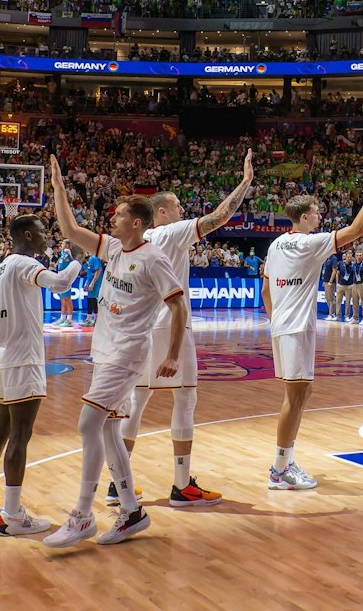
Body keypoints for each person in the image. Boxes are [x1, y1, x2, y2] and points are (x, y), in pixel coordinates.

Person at [41, 154, 187, 549]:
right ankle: (131, 511)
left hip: (126, 354)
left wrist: (172, 354)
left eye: (119, 215)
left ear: (136, 222)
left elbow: (179, 304)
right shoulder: (113, 250)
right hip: (104, 351)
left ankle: (82, 514)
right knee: (108, 430)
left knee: (88, 425)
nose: (113, 219)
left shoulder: (153, 258)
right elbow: (70, 228)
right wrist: (58, 186)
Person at [119, 150, 253, 509]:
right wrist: (244, 183)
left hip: (143, 330)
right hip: (171, 327)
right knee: (185, 398)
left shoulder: (137, 243)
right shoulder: (173, 232)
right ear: (161, 212)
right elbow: (220, 216)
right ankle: (181, 486)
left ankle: (118, 485)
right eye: (177, 205)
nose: (182, 210)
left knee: (138, 401)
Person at [262, 168, 363, 491]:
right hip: (297, 328)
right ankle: (280, 467)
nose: (320, 216)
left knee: (301, 392)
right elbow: (356, 229)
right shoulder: (309, 243)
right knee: (296, 396)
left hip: (283, 327)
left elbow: (266, 291)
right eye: (316, 212)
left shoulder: (275, 246)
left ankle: (284, 462)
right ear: (303, 217)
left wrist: (276, 321)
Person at [0, 214, 82, 536]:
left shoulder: (2, 268)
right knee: (20, 435)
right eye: (42, 233)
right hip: (23, 360)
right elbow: (60, 284)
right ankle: (12, 514)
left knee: (2, 429)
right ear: (29, 235)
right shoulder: (24, 264)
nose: (46, 237)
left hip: (2, 358)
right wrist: (76, 260)